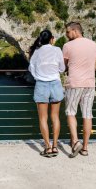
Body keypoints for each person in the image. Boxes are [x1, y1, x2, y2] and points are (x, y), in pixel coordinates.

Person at [63, 22, 96, 158]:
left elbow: (64, 66)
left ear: (75, 31)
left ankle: (75, 142)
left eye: (68, 32)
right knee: (87, 114)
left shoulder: (67, 46)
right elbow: (95, 66)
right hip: (90, 83)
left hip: (74, 83)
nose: (66, 35)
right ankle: (85, 148)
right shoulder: (93, 44)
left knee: (71, 112)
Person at [29, 29, 65, 157]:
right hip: (55, 84)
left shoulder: (37, 52)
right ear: (51, 39)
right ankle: (55, 146)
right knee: (55, 117)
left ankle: (48, 147)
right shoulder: (57, 50)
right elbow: (62, 68)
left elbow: (31, 68)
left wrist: (39, 76)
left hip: (41, 85)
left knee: (43, 118)